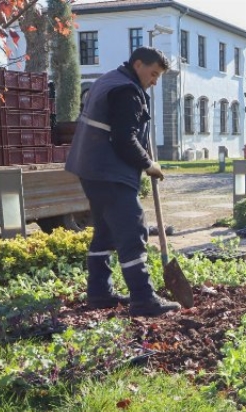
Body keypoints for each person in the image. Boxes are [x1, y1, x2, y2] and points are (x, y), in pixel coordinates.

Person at [66, 47, 180, 317]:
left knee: (104, 232)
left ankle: (99, 293)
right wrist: (149, 164)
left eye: (158, 77)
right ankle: (143, 299)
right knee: (132, 231)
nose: (154, 81)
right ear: (138, 64)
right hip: (109, 171)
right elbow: (124, 139)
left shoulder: (108, 79)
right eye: (153, 74)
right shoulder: (127, 91)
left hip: (90, 169)